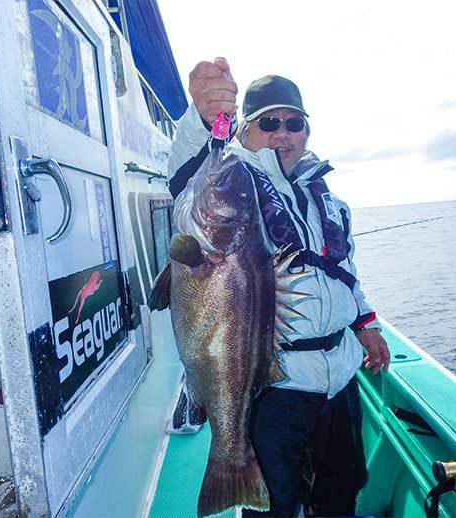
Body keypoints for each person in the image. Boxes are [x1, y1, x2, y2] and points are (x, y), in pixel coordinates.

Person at [167, 57, 391, 517]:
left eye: (294, 123)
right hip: (276, 384)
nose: (282, 132)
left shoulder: (324, 195)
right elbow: (187, 177)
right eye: (269, 121)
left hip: (340, 376)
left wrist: (366, 324)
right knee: (275, 504)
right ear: (244, 129)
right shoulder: (235, 177)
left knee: (340, 492)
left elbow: (344, 271)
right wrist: (202, 117)